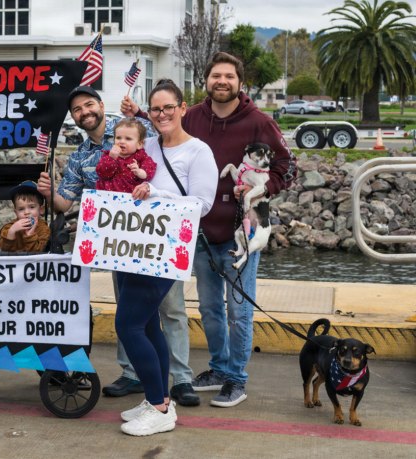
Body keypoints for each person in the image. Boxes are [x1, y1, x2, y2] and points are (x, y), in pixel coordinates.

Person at [39, 86, 201, 407]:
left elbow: (170, 135)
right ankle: (133, 374)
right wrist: (48, 192)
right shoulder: (80, 156)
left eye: (89, 105)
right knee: (133, 313)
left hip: (155, 238)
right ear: (73, 118)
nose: (84, 112)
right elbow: (63, 203)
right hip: (117, 243)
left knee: (170, 308)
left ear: (101, 104)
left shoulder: (132, 128)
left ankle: (181, 379)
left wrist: (141, 112)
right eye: (77, 110)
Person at [184, 52, 294, 407]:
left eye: (229, 76)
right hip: (201, 233)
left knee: (239, 311)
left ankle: (236, 379)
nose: (222, 81)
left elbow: (286, 168)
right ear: (206, 80)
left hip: (243, 233)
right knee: (210, 308)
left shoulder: (259, 121)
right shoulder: (192, 119)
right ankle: (218, 368)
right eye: (216, 75)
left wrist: (260, 188)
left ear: (239, 83)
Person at [116, 78, 217, 436]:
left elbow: (202, 205)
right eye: (155, 109)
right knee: (145, 324)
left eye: (168, 108)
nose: (161, 114)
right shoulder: (151, 146)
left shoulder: (198, 151)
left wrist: (157, 193)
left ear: (182, 108)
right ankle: (156, 398)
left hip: (165, 250)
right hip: (134, 246)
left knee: (127, 325)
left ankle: (159, 406)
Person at [95, 118, 156, 192]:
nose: (121, 141)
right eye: (118, 138)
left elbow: (149, 171)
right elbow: (102, 173)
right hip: (107, 196)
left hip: (130, 197)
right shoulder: (108, 156)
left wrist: (139, 172)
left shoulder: (141, 157)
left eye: (128, 139)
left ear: (139, 144)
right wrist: (111, 159)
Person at [0, 180, 50, 253]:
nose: (27, 212)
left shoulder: (43, 229)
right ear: (16, 212)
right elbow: (4, 249)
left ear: (41, 210)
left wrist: (30, 236)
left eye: (32, 207)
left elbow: (39, 253)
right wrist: (11, 232)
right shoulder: (9, 227)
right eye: (21, 209)